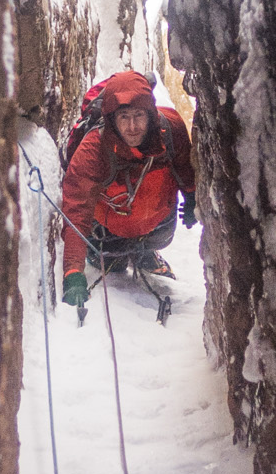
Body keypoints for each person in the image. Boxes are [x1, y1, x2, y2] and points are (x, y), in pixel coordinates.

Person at [61, 70, 197, 311]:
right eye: (124, 117)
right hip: (107, 232)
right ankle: (119, 255)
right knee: (113, 257)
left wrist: (192, 196)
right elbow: (76, 211)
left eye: (139, 116)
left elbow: (185, 166)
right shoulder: (93, 149)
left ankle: (145, 251)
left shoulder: (172, 129)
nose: (132, 127)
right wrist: (73, 271)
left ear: (151, 115)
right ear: (112, 118)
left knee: (157, 238)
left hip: (157, 226)